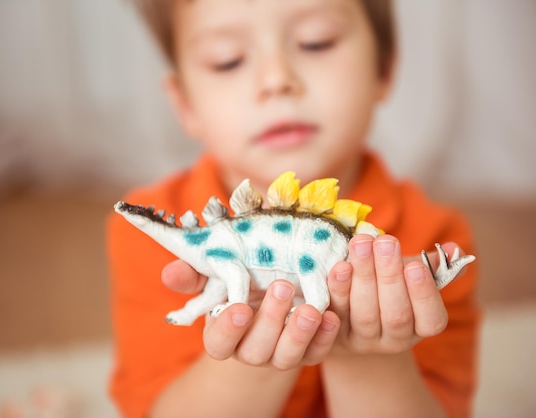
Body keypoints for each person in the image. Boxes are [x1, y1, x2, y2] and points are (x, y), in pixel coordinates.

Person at [106, 0, 480, 417]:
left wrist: (371, 351)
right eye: (227, 61)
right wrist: (255, 350)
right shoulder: (144, 240)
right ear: (185, 105)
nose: (276, 79)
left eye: (316, 42)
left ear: (384, 68)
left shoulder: (436, 237)